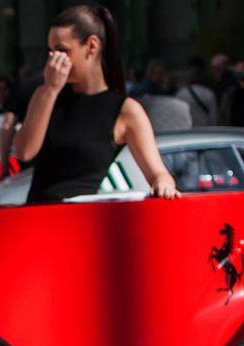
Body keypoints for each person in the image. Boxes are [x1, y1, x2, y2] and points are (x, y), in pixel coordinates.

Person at [15, 5, 178, 205]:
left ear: (91, 46)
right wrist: (50, 90)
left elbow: (158, 173)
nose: (54, 61)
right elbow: (24, 152)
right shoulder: (47, 94)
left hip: (80, 221)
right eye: (51, 52)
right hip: (36, 218)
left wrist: (163, 184)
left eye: (62, 51)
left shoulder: (125, 110)